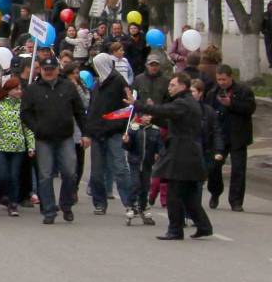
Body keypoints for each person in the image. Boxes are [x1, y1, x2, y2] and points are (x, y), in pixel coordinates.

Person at [131, 73, 215, 240]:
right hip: (188, 152)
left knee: (174, 194)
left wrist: (138, 105)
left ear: (183, 86)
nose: (169, 88)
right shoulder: (186, 103)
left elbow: (165, 110)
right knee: (189, 195)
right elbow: (172, 122)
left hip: (183, 154)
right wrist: (153, 120)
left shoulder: (183, 103)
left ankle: (175, 229)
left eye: (173, 85)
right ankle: (204, 226)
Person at [21, 56, 88, 225]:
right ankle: (49, 210)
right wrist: (37, 128)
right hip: (43, 139)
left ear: (58, 70)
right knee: (45, 175)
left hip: (66, 137)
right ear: (41, 70)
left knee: (70, 173)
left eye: (52, 69)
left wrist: (86, 133)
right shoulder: (32, 89)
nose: (49, 72)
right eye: (45, 70)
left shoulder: (68, 87)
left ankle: (66, 205)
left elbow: (79, 111)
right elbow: (25, 113)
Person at [83, 53, 139, 219]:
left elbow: (127, 108)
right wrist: (88, 131)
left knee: (120, 168)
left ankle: (130, 202)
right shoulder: (97, 84)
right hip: (98, 132)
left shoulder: (118, 82)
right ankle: (99, 202)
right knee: (97, 171)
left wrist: (124, 128)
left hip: (114, 131)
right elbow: (93, 109)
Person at [206, 65, 254, 212]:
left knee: (238, 169)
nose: (221, 82)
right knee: (214, 167)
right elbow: (208, 112)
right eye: (219, 79)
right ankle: (215, 192)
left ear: (230, 77)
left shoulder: (243, 90)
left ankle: (236, 201)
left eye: (224, 79)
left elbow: (250, 108)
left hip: (238, 136)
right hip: (220, 136)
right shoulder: (213, 92)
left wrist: (231, 104)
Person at [0, 77, 31, 217]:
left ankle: (13, 203)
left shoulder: (23, 105)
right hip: (1, 145)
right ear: (8, 90)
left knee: (14, 176)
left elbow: (27, 127)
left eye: (20, 89)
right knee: (2, 175)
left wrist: (31, 145)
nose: (19, 91)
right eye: (16, 89)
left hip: (18, 146)